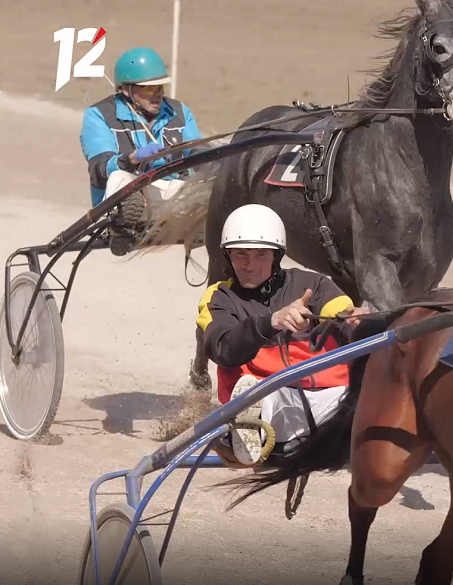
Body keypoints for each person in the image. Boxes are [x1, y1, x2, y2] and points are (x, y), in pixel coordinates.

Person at [196, 204, 368, 467]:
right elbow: (223, 349)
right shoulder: (219, 297)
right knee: (263, 395)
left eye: (260, 255)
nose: (249, 265)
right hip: (268, 402)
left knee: (361, 395)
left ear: (276, 256)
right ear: (228, 255)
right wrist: (271, 322)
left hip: (325, 402)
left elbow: (341, 310)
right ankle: (247, 426)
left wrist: (354, 321)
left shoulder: (314, 285)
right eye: (240, 254)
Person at [79, 47, 203, 256]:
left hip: (173, 196)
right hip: (127, 196)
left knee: (215, 179)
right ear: (126, 90)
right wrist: (133, 158)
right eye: (149, 89)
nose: (158, 96)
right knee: (121, 179)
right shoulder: (98, 115)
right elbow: (99, 168)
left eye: (160, 87)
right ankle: (121, 229)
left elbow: (199, 152)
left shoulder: (179, 111)